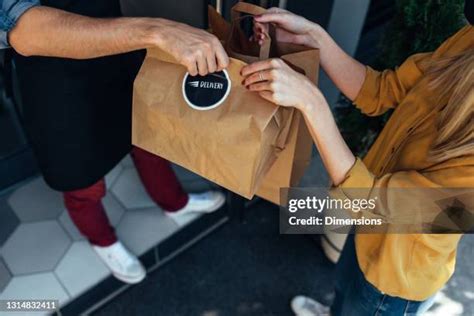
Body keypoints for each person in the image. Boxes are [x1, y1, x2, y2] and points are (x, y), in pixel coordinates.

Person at [242, 1, 473, 315]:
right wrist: (315, 38)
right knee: (343, 290)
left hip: (392, 283)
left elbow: (373, 204)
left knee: (358, 303)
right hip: (365, 228)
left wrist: (312, 103)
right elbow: (382, 91)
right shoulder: (468, 43)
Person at [1, 0, 228, 284]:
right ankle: (103, 241)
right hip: (53, 73)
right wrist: (158, 30)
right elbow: (25, 30)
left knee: (146, 138)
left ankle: (174, 202)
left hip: (117, 46)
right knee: (81, 175)